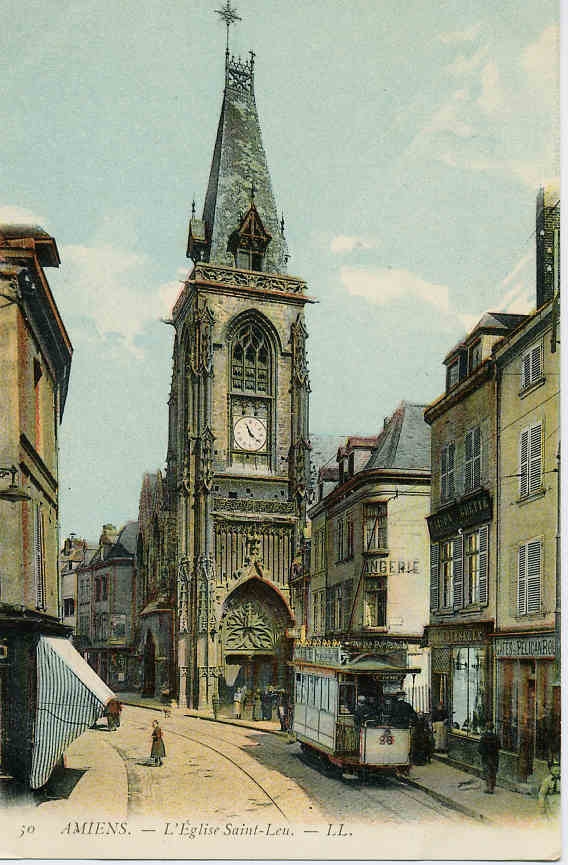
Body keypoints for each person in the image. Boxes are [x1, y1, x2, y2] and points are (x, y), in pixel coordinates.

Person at [478, 722, 500, 793]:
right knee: (493, 772)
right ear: (493, 728)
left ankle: (488, 787)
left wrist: (483, 753)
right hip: (494, 757)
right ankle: (492, 788)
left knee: (487, 772)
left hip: (486, 757)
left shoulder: (484, 737)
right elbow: (499, 747)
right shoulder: (496, 736)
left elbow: (480, 749)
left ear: (486, 728)